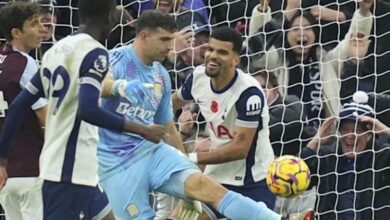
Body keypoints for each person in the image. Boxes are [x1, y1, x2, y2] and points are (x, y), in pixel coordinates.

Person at [98, 10, 280, 220]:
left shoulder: (163, 76)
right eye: (165, 39)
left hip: (249, 178)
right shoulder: (115, 59)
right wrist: (120, 87)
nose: (170, 46)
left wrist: (185, 159)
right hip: (118, 161)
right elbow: (98, 84)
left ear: (236, 60)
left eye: (221, 52)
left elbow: (167, 124)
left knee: (200, 186)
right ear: (144, 37)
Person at [0, 0, 165, 219]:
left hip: (74, 169)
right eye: (115, 11)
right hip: (68, 173)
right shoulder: (95, 53)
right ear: (108, 17)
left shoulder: (54, 51)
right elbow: (87, 110)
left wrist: (2, 159)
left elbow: (19, 105)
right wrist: (143, 130)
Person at [172, 26, 277, 218]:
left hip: (252, 181)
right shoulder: (198, 77)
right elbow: (172, 103)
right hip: (216, 176)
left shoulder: (249, 94)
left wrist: (192, 158)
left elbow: (240, 148)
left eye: (222, 52)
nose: (213, 56)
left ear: (236, 60)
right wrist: (173, 129)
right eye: (210, 49)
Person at [248, 0, 374, 124]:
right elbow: (257, 48)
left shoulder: (327, 61)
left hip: (325, 138)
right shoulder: (275, 61)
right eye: (296, 29)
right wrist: (262, 10)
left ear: (315, 33)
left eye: (308, 28)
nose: (301, 33)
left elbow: (353, 41)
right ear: (286, 35)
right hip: (285, 136)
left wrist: (363, 12)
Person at [301, 91, 390, 219]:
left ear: (370, 135)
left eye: (357, 130)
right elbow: (295, 179)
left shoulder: (384, 157)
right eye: (345, 130)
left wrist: (386, 131)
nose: (349, 136)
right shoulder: (327, 156)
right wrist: (315, 141)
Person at [0, 2, 46, 219]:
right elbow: (44, 115)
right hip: (30, 167)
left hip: (5, 173)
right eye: (34, 24)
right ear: (16, 33)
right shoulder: (25, 63)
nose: (42, 28)